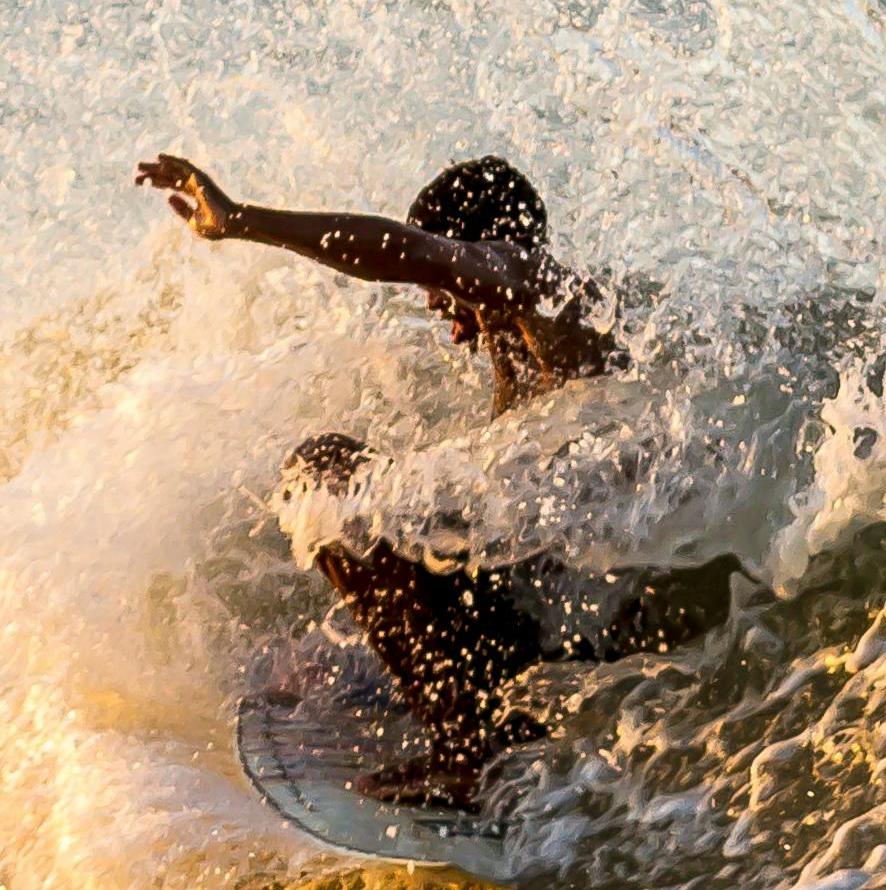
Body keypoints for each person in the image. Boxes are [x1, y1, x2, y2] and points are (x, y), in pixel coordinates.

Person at [136, 151, 731, 773]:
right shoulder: (517, 339)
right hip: (556, 611)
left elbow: (406, 250)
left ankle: (467, 753)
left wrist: (242, 220)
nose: (432, 301)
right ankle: (427, 706)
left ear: (478, 253)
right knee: (294, 660)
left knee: (325, 473)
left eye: (439, 281)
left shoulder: (537, 282)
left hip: (593, 612)